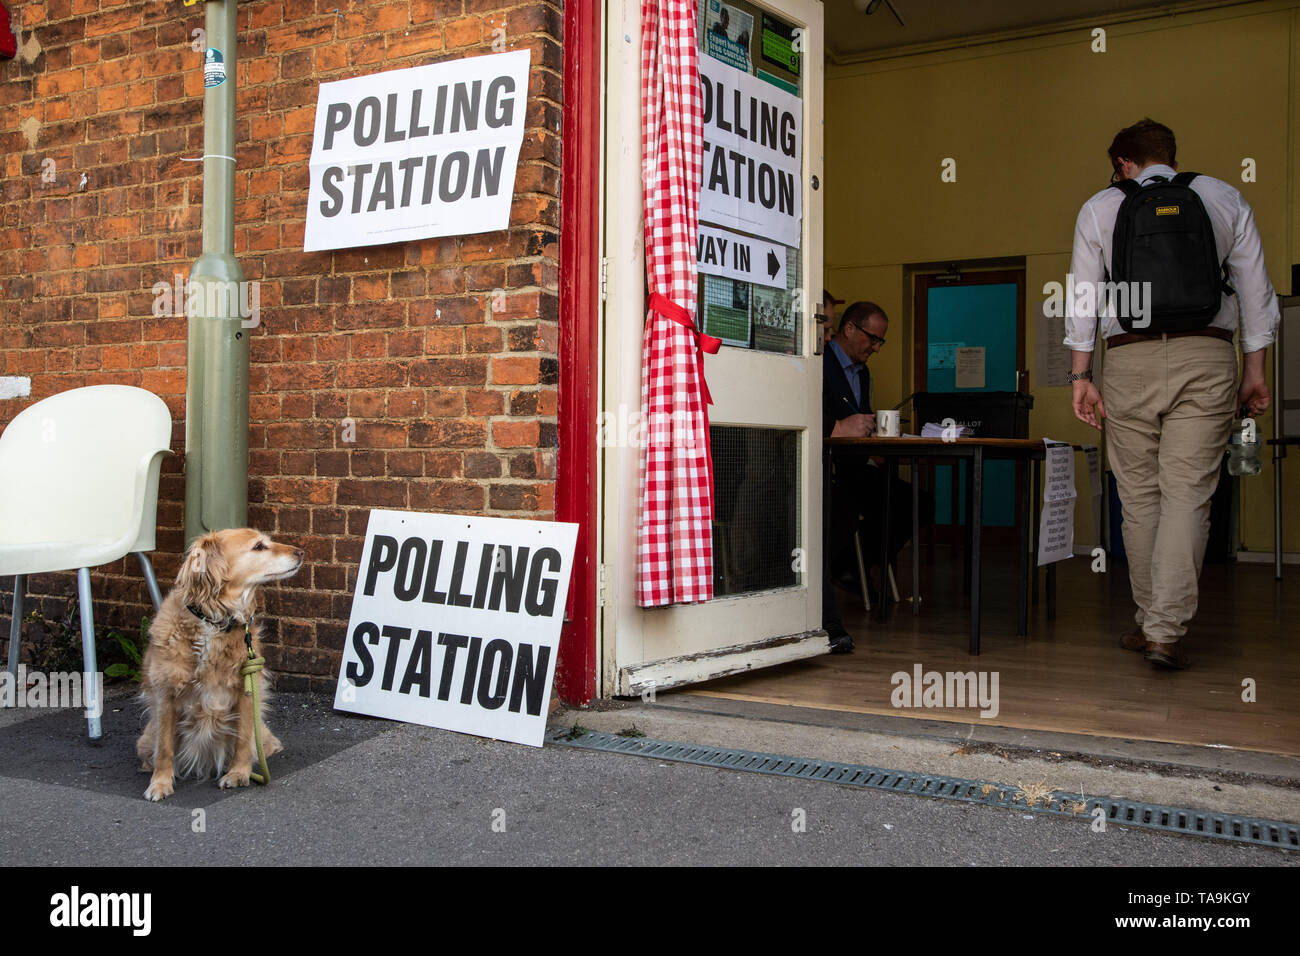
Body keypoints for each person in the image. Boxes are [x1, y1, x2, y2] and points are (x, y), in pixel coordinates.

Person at [1066, 118, 1280, 670]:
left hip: (1129, 360)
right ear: (1172, 157)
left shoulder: (1100, 206)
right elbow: (1257, 293)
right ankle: (1165, 629)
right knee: (1188, 494)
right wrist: (1254, 370)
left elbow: (1083, 298)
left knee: (1139, 497)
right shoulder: (1221, 196)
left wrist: (1080, 376)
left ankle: (1149, 621)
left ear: (1122, 163)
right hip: (1207, 355)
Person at [821, 301, 930, 651]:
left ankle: (853, 563)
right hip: (828, 467)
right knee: (845, 507)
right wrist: (837, 428)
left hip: (857, 464)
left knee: (916, 501)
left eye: (881, 341)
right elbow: (798, 411)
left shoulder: (862, 372)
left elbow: (859, 417)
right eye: (873, 339)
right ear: (849, 329)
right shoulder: (818, 360)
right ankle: (840, 568)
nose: (876, 347)